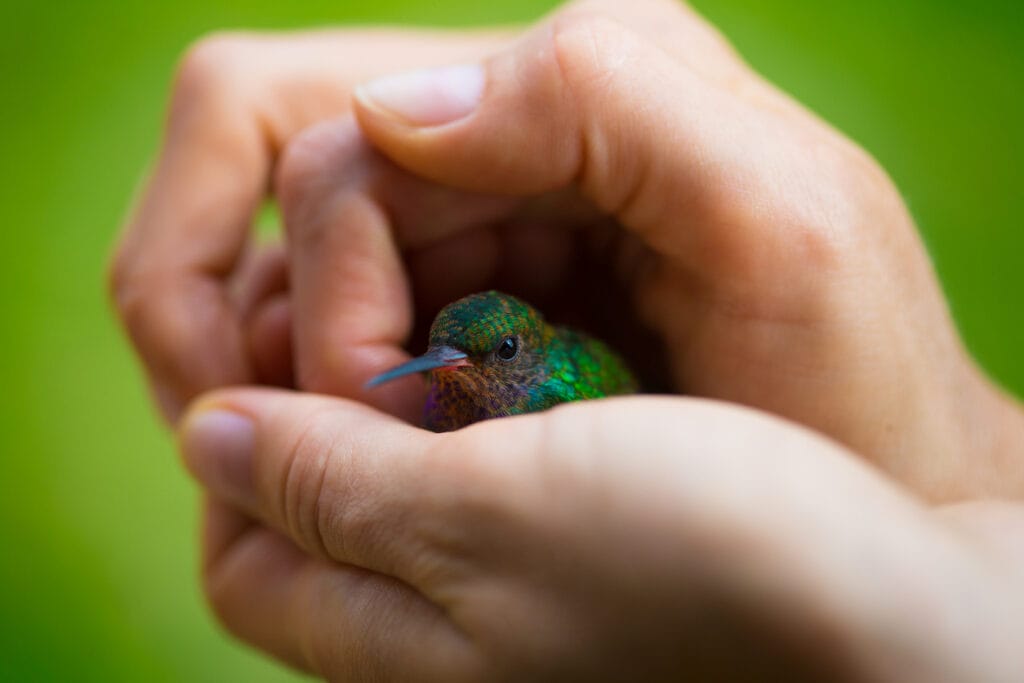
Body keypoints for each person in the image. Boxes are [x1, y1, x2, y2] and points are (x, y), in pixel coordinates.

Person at [109, 0, 1024, 679]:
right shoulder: (450, 393)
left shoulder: (558, 393)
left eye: (483, 357)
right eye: (437, 352)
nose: (444, 369)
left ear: (526, 360)